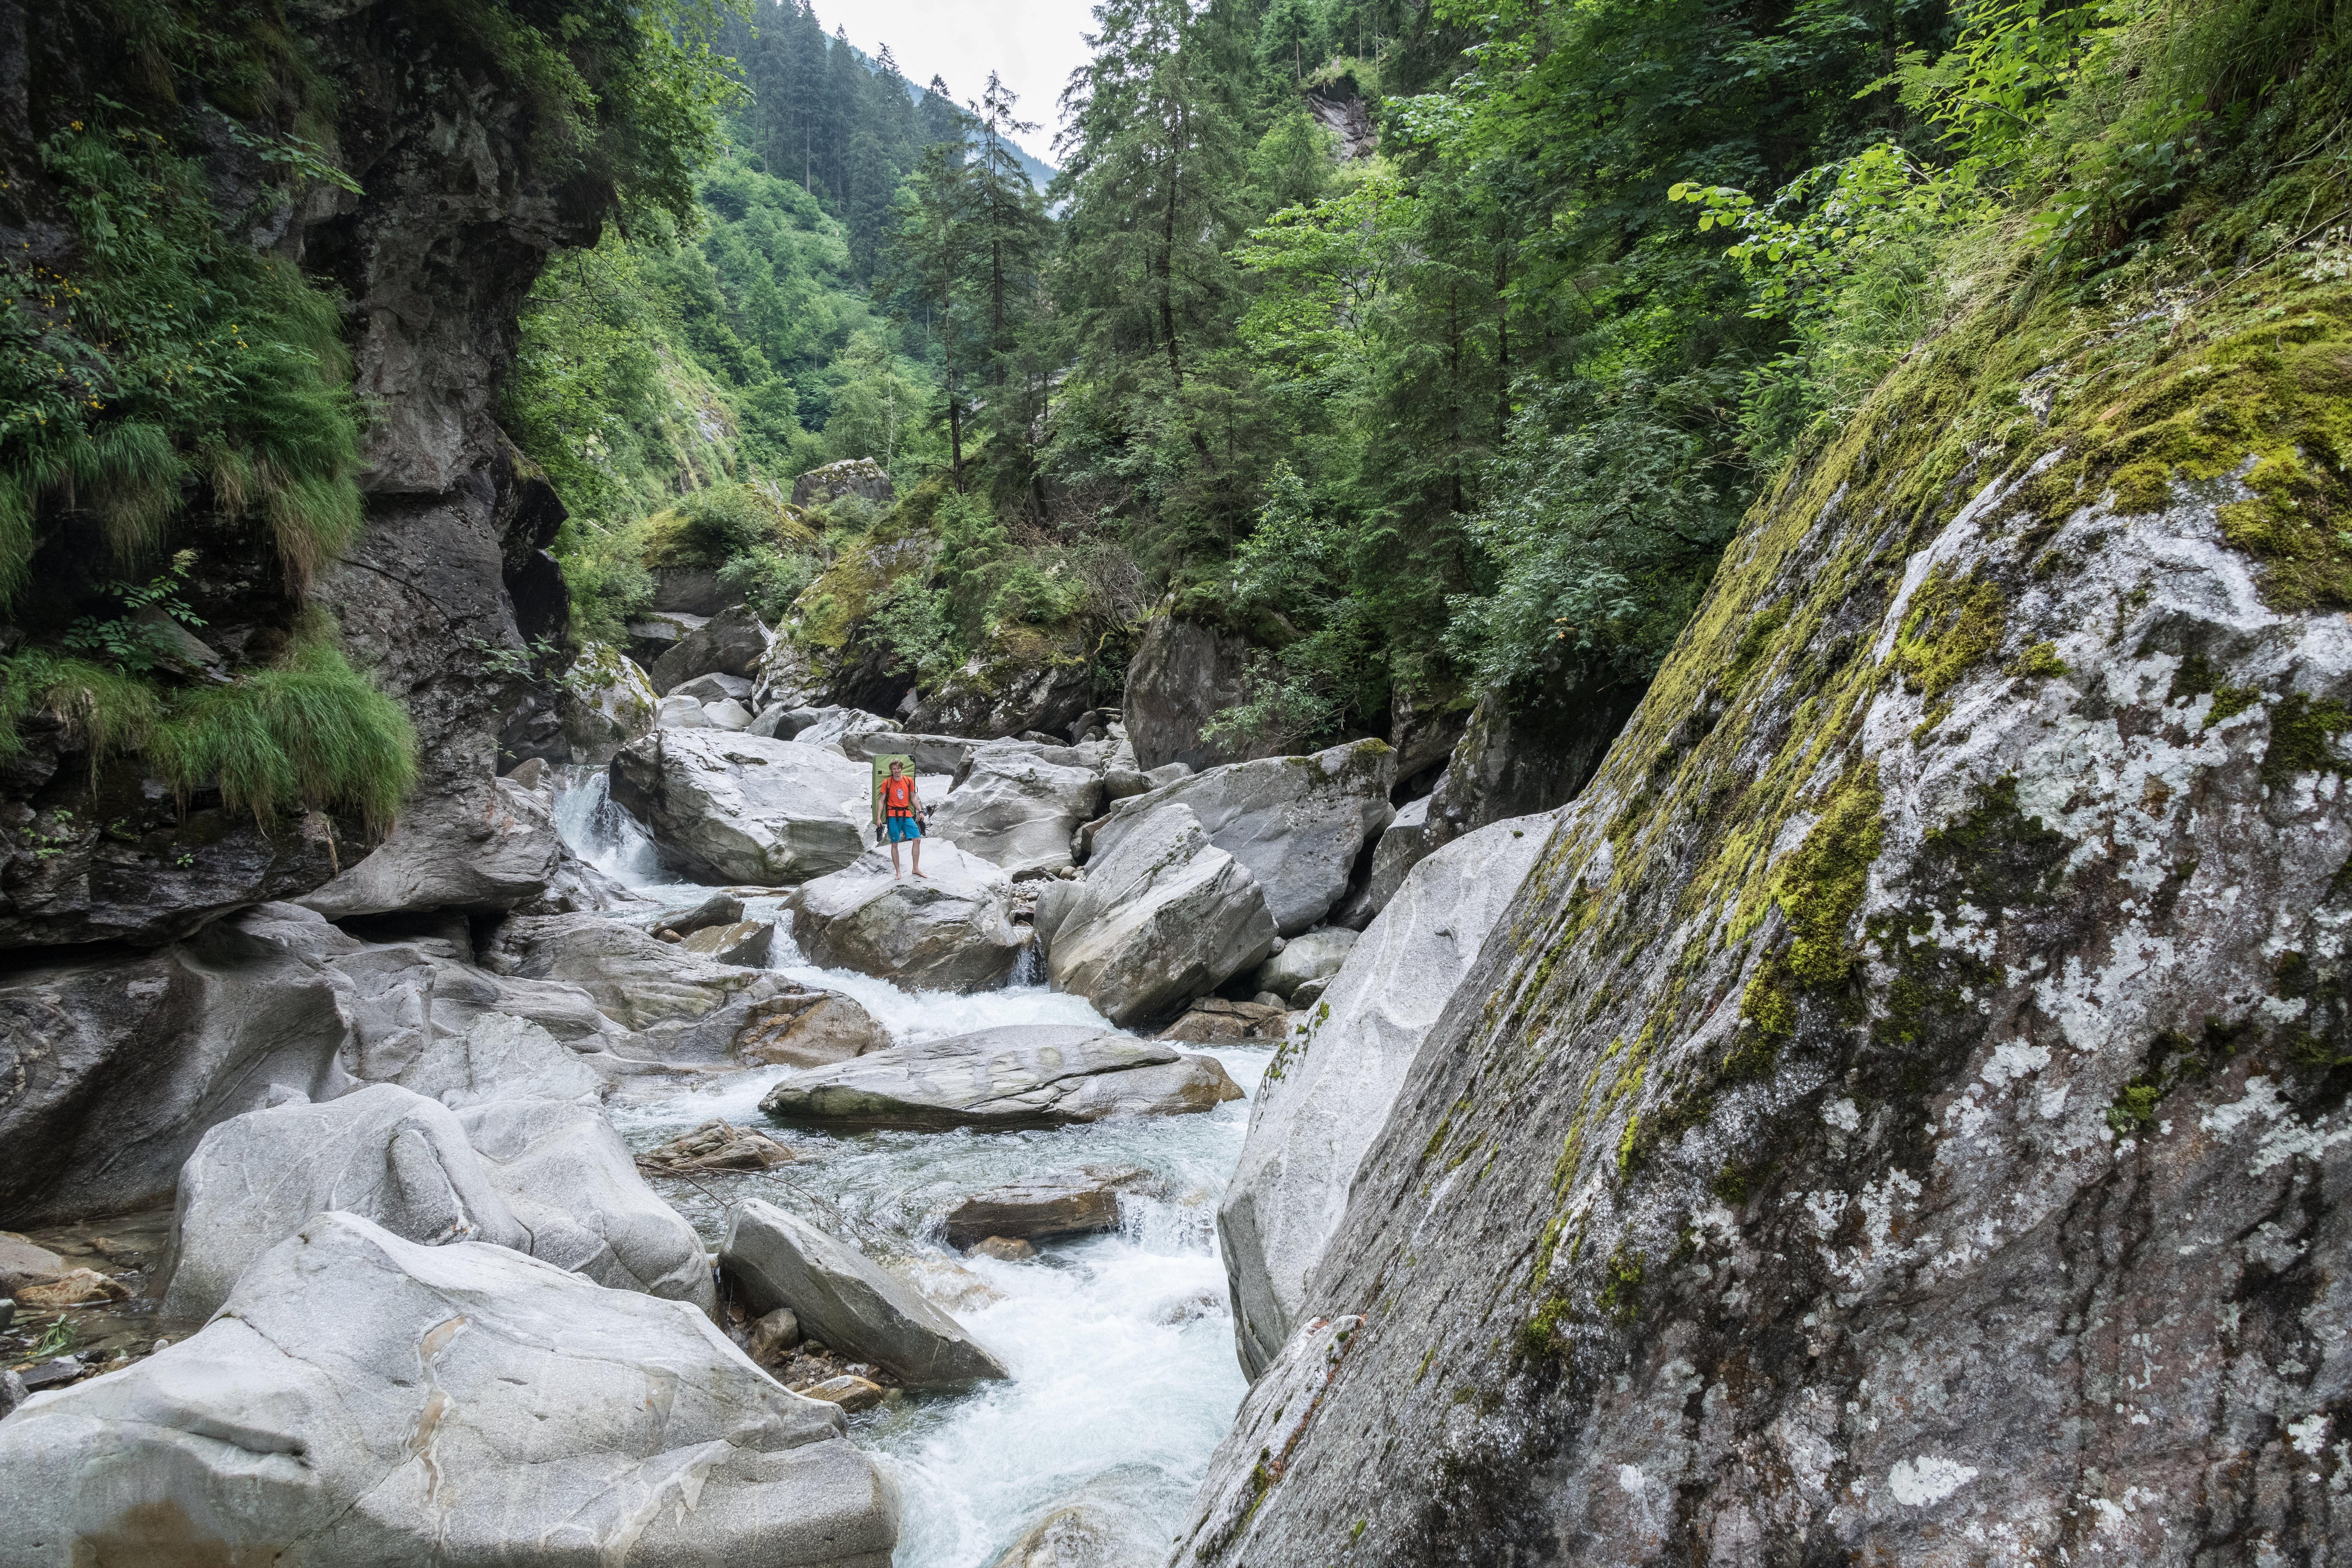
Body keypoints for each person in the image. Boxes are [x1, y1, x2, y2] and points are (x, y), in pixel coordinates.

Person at [876, 759, 926, 879]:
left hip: (907, 814)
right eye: (894, 769)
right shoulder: (887, 783)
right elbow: (882, 801)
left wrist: (920, 811)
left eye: (898, 769)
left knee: (917, 840)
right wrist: (879, 818)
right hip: (893, 815)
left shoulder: (909, 781)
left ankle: (916, 869)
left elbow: (913, 798)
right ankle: (898, 872)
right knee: (895, 843)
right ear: (891, 770)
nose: (897, 771)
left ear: (901, 769)